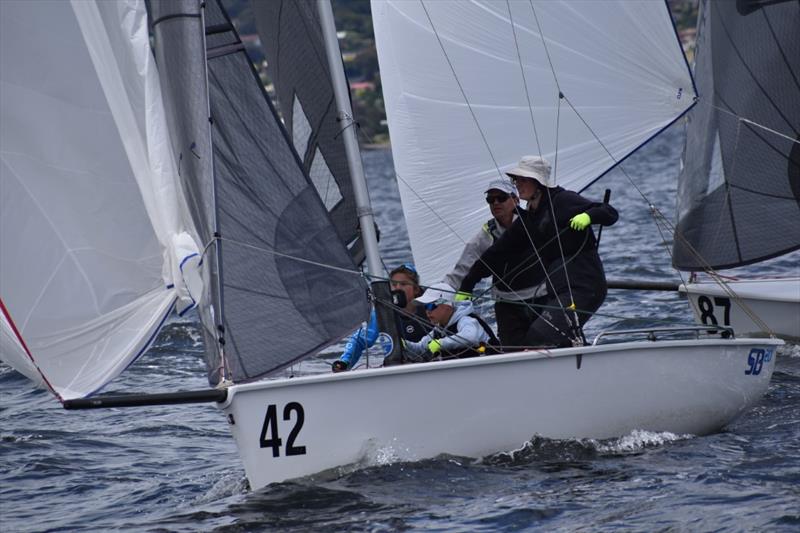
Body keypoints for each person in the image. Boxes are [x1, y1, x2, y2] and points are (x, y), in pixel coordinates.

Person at [458, 155, 618, 348]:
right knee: (521, 344)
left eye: (523, 180)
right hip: (558, 291)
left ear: (538, 182)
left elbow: (609, 212)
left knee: (539, 336)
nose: (517, 184)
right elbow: (496, 254)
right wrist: (467, 286)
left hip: (584, 288)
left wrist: (588, 216)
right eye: (516, 180)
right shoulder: (530, 217)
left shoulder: (561, 200)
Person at [443, 179, 545, 348]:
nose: (495, 203)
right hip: (507, 304)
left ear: (516, 199)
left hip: (541, 296)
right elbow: (461, 271)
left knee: (549, 345)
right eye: (491, 200)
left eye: (501, 198)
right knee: (512, 352)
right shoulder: (486, 234)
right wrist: (436, 296)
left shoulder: (533, 221)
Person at [332, 264, 429, 372]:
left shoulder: (430, 306)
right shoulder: (383, 312)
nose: (397, 288)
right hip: (398, 368)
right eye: (394, 284)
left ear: (415, 289)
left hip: (431, 364)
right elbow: (360, 340)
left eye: (403, 284)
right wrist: (345, 362)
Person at [403, 282, 499, 361]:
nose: (427, 311)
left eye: (431, 306)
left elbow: (470, 337)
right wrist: (402, 344)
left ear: (447, 306)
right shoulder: (439, 329)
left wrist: (440, 343)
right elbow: (419, 349)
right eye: (425, 307)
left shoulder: (466, 320)